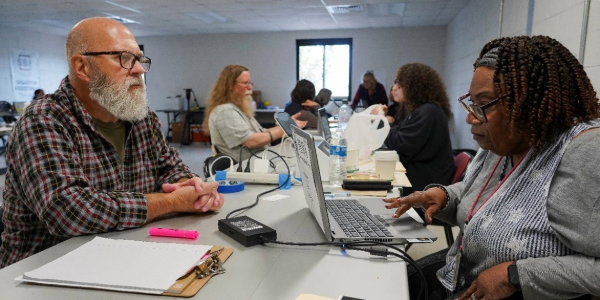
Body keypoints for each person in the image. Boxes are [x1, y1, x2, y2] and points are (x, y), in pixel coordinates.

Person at [384, 36, 600, 300]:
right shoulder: (504, 143)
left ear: (529, 104)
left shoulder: (583, 151)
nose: (470, 117)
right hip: (464, 270)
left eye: (483, 103)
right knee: (390, 282)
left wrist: (516, 274)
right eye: (471, 102)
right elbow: (489, 195)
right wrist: (445, 196)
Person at [0, 17, 224, 269]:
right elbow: (68, 211)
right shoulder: (43, 121)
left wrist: (190, 187)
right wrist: (172, 201)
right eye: (124, 59)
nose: (139, 69)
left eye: (139, 59)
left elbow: (170, 168)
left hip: (122, 258)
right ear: (83, 67)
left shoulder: (141, 117)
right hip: (42, 271)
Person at [204, 65, 306, 162]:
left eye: (250, 83)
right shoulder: (225, 111)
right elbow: (251, 141)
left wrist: (286, 125)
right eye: (245, 83)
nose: (250, 87)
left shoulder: (237, 109)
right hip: (244, 169)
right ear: (230, 86)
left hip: (257, 163)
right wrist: (282, 130)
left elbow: (261, 133)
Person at [384, 63, 455, 193]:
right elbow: (400, 134)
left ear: (412, 86)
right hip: (420, 175)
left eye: (398, 83)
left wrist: (382, 121)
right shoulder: (419, 110)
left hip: (424, 184)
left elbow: (399, 144)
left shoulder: (428, 111)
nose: (394, 88)